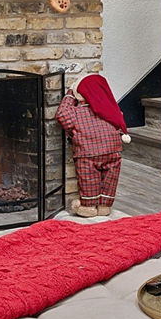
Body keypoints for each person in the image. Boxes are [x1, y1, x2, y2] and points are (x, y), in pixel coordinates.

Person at [56, 73, 129, 218]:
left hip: (88, 152)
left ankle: (88, 207)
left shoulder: (76, 112)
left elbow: (62, 115)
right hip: (113, 151)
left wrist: (70, 94)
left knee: (89, 178)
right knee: (110, 178)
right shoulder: (111, 109)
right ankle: (105, 206)